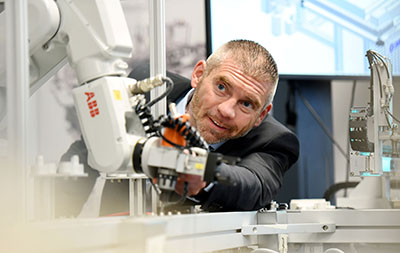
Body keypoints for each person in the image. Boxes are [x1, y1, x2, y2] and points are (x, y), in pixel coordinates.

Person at [58, 39, 299, 215]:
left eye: (246, 104)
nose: (226, 110)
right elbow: (91, 150)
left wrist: (203, 174)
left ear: (261, 115)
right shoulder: (147, 86)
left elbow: (252, 184)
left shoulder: (275, 141)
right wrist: (57, 216)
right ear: (199, 74)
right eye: (222, 87)